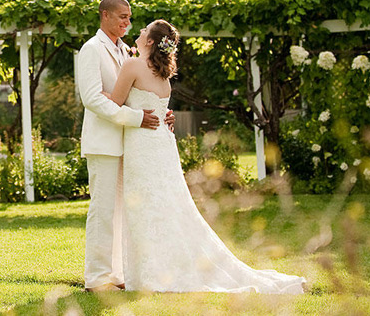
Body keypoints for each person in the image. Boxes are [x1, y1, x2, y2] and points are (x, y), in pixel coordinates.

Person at [105, 19, 306, 293]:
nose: (138, 32)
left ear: (151, 41)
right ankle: (158, 268)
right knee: (166, 205)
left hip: (143, 145)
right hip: (162, 146)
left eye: (143, 31)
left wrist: (95, 93)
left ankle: (151, 273)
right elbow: (158, 106)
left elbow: (114, 103)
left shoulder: (133, 65)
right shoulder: (161, 74)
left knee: (145, 206)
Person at [77, 0, 174, 292]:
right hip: (105, 143)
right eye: (121, 17)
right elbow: (92, 99)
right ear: (104, 15)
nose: (127, 23)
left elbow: (137, 91)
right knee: (103, 210)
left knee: (122, 212)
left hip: (132, 146)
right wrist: (136, 118)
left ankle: (117, 274)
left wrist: (161, 113)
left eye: (130, 18)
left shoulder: (126, 52)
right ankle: (96, 277)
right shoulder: (91, 49)